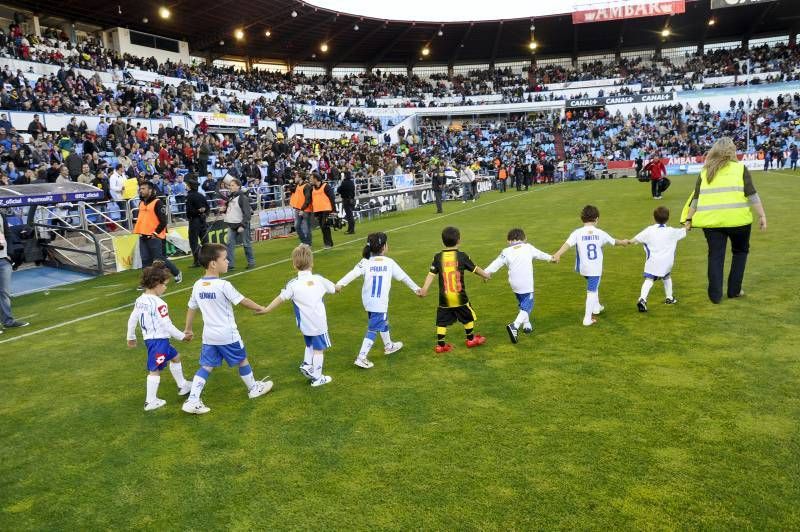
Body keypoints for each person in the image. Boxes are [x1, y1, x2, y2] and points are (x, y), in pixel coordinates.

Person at [181, 244, 273, 415]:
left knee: (206, 366)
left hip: (209, 336)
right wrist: (260, 307)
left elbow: (191, 308)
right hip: (227, 335)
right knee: (242, 360)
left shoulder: (197, 285)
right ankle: (253, 388)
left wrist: (188, 329)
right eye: (224, 258)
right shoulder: (224, 285)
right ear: (213, 264)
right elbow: (242, 300)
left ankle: (193, 399)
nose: (228, 261)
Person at [682, 137, 767, 304]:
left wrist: (688, 219)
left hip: (712, 223)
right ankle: (734, 290)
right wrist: (762, 215)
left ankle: (715, 296)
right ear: (732, 151)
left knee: (715, 256)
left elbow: (695, 200)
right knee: (740, 252)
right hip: (738, 221)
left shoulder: (705, 171)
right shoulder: (740, 168)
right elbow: (752, 195)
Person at [335, 232, 422, 369]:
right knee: (373, 328)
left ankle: (389, 346)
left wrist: (339, 284)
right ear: (383, 247)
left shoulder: (365, 262)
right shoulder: (389, 263)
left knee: (382, 320)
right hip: (379, 302)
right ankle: (361, 357)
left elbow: (352, 273)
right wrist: (416, 289)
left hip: (368, 301)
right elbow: (404, 277)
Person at [262, 244, 336, 387]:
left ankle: (307, 364)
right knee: (319, 349)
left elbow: (281, 298)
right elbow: (333, 288)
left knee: (309, 344)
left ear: (294, 265)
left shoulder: (292, 284)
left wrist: (267, 309)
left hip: (304, 324)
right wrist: (338, 287)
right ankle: (317, 377)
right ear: (312, 263)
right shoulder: (319, 279)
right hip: (319, 323)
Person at [126, 262, 192, 411]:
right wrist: (183, 337)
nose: (165, 287)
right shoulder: (159, 304)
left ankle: (182, 385)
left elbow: (132, 318)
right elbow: (167, 325)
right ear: (156, 283)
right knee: (154, 369)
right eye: (164, 284)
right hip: (158, 341)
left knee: (175, 357)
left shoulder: (140, 300)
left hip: (152, 339)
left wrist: (130, 336)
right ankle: (150, 401)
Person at [552, 205, 628, 326]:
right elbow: (614, 241)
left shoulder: (577, 232)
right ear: (596, 219)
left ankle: (596, 307)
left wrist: (557, 254)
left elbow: (567, 244)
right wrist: (623, 242)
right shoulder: (600, 233)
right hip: (595, 268)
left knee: (594, 285)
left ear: (582, 219)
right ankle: (587, 318)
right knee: (591, 291)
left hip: (583, 268)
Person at [418, 226, 491, 353]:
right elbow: (475, 269)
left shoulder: (437, 257)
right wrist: (486, 275)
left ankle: (440, 345)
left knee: (441, 321)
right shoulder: (462, 256)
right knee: (468, 316)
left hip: (444, 298)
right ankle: (471, 339)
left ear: (443, 242)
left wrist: (424, 288)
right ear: (459, 240)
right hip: (460, 296)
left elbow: (431, 274)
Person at [484, 228, 555, 343]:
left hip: (514, 283)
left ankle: (527, 325)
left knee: (523, 303)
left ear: (508, 241)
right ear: (525, 238)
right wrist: (552, 258)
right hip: (526, 282)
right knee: (528, 304)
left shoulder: (506, 251)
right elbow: (541, 254)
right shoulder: (528, 247)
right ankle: (515, 326)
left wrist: (486, 273)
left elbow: (496, 263)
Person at [625, 206, 686, 312]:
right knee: (666, 277)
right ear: (668, 218)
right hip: (666, 263)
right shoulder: (671, 231)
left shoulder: (649, 230)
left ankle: (642, 299)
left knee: (649, 280)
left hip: (653, 262)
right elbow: (685, 230)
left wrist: (627, 242)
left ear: (654, 218)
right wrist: (689, 222)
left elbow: (635, 239)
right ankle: (669, 298)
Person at [132, 181, 182, 283]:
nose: (141, 191)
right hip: (143, 235)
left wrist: (155, 233)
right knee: (145, 260)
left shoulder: (158, 202)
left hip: (155, 236)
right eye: (140, 189)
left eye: (143, 189)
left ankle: (176, 272)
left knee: (159, 259)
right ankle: (147, 282)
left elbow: (163, 221)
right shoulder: (141, 203)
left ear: (150, 190)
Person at [0, 212, 29, 333]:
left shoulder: (0, 214)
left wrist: (10, 254)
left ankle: (8, 321)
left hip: (4, 259)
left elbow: (8, 234)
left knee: (5, 293)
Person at [223, 178, 255, 270]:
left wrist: (243, 225)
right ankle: (230, 265)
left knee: (246, 243)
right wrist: (224, 210)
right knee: (229, 244)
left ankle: (251, 262)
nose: (230, 187)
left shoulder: (242, 197)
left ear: (238, 186)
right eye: (230, 185)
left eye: (233, 185)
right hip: (232, 224)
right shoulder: (231, 197)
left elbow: (247, 213)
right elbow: (232, 210)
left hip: (241, 224)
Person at [185, 177, 209, 267]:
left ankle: (197, 261)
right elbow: (207, 207)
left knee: (193, 242)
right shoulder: (201, 195)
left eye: (187, 185)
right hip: (203, 220)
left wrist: (198, 212)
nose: (186, 187)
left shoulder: (189, 196)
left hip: (194, 221)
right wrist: (204, 213)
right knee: (205, 241)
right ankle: (209, 259)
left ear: (190, 186)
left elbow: (189, 211)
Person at [310, 171, 336, 249]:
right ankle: (327, 243)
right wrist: (315, 213)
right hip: (318, 210)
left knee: (325, 226)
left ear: (316, 179)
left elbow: (332, 198)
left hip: (326, 209)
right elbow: (313, 200)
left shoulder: (326, 186)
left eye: (311, 178)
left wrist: (333, 210)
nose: (310, 180)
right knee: (322, 227)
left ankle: (328, 243)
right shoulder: (313, 188)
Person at [289, 172, 313, 246]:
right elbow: (292, 190)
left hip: (305, 209)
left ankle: (308, 243)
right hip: (298, 208)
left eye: (296, 177)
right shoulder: (297, 185)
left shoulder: (307, 186)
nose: (295, 178)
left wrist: (302, 209)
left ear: (300, 177)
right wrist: (291, 183)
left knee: (306, 227)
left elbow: (307, 199)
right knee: (297, 226)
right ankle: (303, 241)